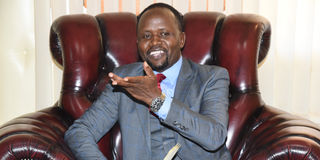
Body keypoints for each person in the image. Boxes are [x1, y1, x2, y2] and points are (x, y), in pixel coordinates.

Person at [64, 3, 231, 160]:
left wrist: (157, 101)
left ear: (181, 39)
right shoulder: (124, 80)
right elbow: (80, 132)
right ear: (138, 44)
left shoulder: (211, 78)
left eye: (164, 34)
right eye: (146, 36)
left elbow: (214, 136)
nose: (155, 42)